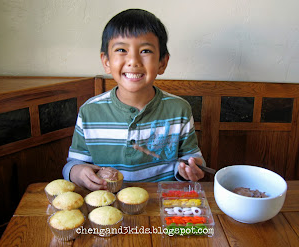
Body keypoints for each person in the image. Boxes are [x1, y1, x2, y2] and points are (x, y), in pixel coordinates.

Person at [62, 9, 206, 191]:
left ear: (162, 62)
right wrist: (78, 172)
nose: (133, 60)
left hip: (164, 206)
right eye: (121, 50)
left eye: (145, 50)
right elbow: (72, 165)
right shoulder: (89, 111)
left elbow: (192, 158)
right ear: (106, 61)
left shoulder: (179, 110)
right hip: (108, 206)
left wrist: (192, 168)